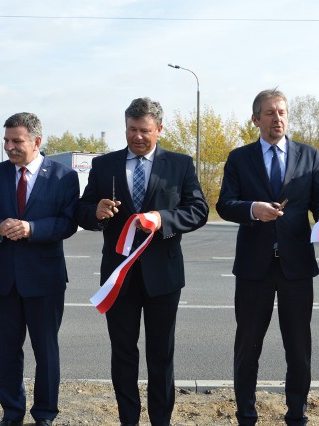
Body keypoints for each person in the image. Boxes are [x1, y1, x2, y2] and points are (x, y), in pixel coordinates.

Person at [75, 97, 208, 426]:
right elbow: (82, 209)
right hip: (119, 276)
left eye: (144, 131)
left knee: (161, 355)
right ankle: (128, 420)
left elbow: (198, 210)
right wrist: (96, 212)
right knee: (123, 353)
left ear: (159, 129)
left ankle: (161, 420)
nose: (137, 137)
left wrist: (162, 219)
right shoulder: (104, 165)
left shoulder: (180, 165)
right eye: (131, 130)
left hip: (163, 276)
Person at [216, 89, 319, 426]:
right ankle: (246, 415)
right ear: (256, 119)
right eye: (269, 113)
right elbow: (225, 204)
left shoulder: (309, 156)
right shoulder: (239, 158)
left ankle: (297, 415)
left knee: (299, 350)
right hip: (255, 268)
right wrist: (254, 209)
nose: (277, 118)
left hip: (296, 266)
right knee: (247, 348)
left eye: (281, 111)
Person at [0, 112, 79, 426]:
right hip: (4, 278)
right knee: (8, 350)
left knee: (46, 351)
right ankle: (12, 412)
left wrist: (32, 228)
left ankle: (44, 414)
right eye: (6, 140)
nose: (9, 147)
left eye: (16, 141)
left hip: (45, 279)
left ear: (36, 141)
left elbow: (67, 223)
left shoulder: (63, 177)